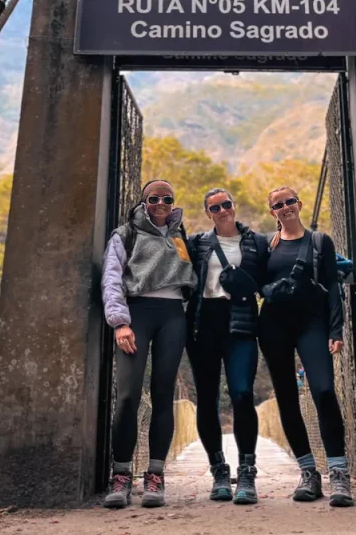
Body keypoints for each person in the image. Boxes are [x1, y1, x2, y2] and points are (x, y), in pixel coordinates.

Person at [100, 180, 198, 509]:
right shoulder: (125, 234)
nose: (160, 202)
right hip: (136, 314)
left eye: (166, 198)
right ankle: (121, 476)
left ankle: (155, 476)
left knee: (163, 394)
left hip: (172, 316)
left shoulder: (178, 236)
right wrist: (120, 322)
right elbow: (111, 277)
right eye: (153, 198)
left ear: (173, 203)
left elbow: (190, 277)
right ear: (143, 202)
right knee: (127, 395)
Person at [258, 185, 353, 507]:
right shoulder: (265, 246)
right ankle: (308, 472)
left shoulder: (319, 241)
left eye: (289, 202)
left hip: (312, 324)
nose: (285, 207)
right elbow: (254, 285)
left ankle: (339, 473)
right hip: (273, 327)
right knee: (287, 399)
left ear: (299, 204)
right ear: (272, 212)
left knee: (324, 391)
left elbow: (331, 287)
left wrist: (335, 329)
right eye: (278, 204)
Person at [185, 188, 269, 505]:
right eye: (215, 207)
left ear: (234, 206)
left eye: (226, 204)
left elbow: (273, 274)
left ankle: (246, 471)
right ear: (208, 213)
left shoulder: (257, 242)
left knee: (242, 393)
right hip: (204, 324)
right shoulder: (197, 243)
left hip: (242, 324)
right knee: (207, 399)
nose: (222, 210)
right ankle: (219, 471)